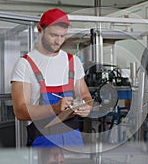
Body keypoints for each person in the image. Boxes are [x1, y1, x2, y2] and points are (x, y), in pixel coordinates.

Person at [10, 8, 93, 148]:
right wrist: (55, 108)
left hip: (73, 139)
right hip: (43, 140)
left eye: (63, 36)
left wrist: (87, 107)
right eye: (53, 35)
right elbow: (20, 111)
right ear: (40, 29)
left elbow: (85, 96)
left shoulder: (73, 61)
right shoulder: (25, 64)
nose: (58, 41)